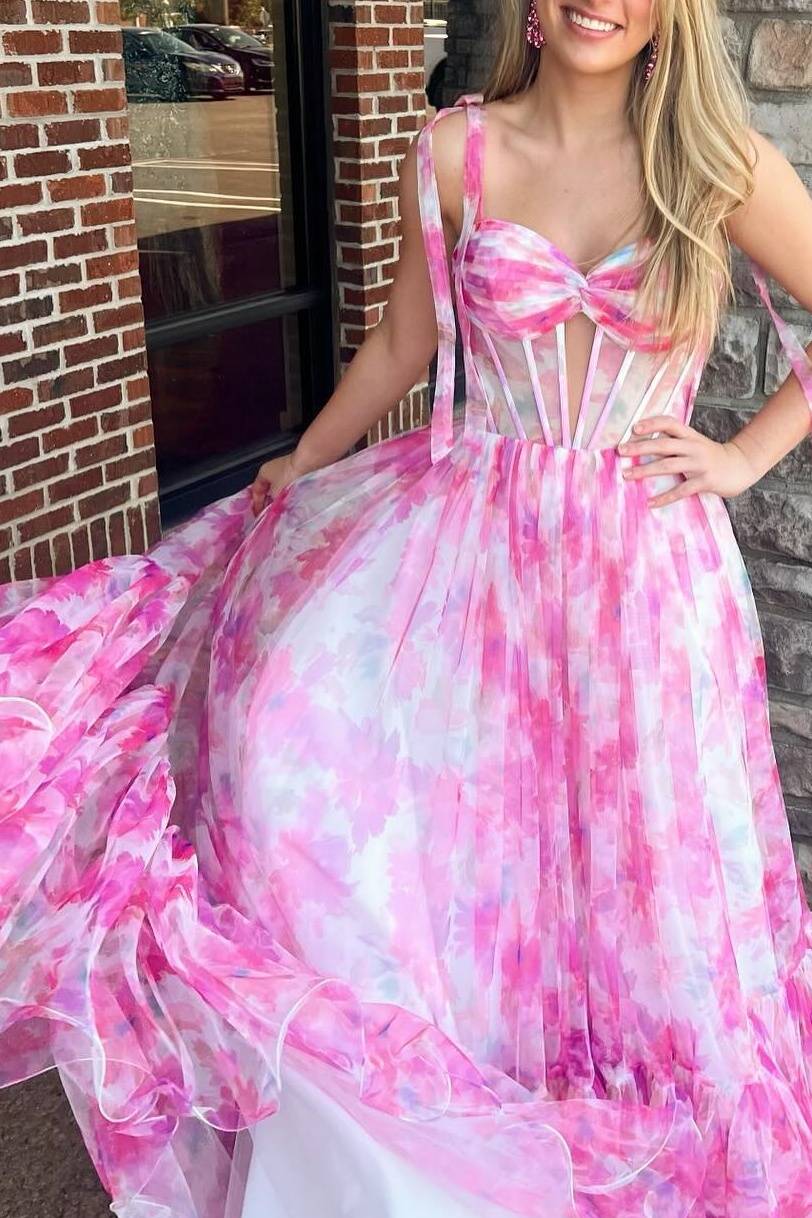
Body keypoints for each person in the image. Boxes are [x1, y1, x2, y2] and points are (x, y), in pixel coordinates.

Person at [2, 0, 812, 1215]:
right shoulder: (453, 149)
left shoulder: (714, 162)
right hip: (467, 557)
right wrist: (303, 459)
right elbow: (400, 344)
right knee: (375, 804)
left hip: (641, 583)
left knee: (631, 881)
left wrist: (743, 458)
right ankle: (439, 1132)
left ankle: (605, 1127)